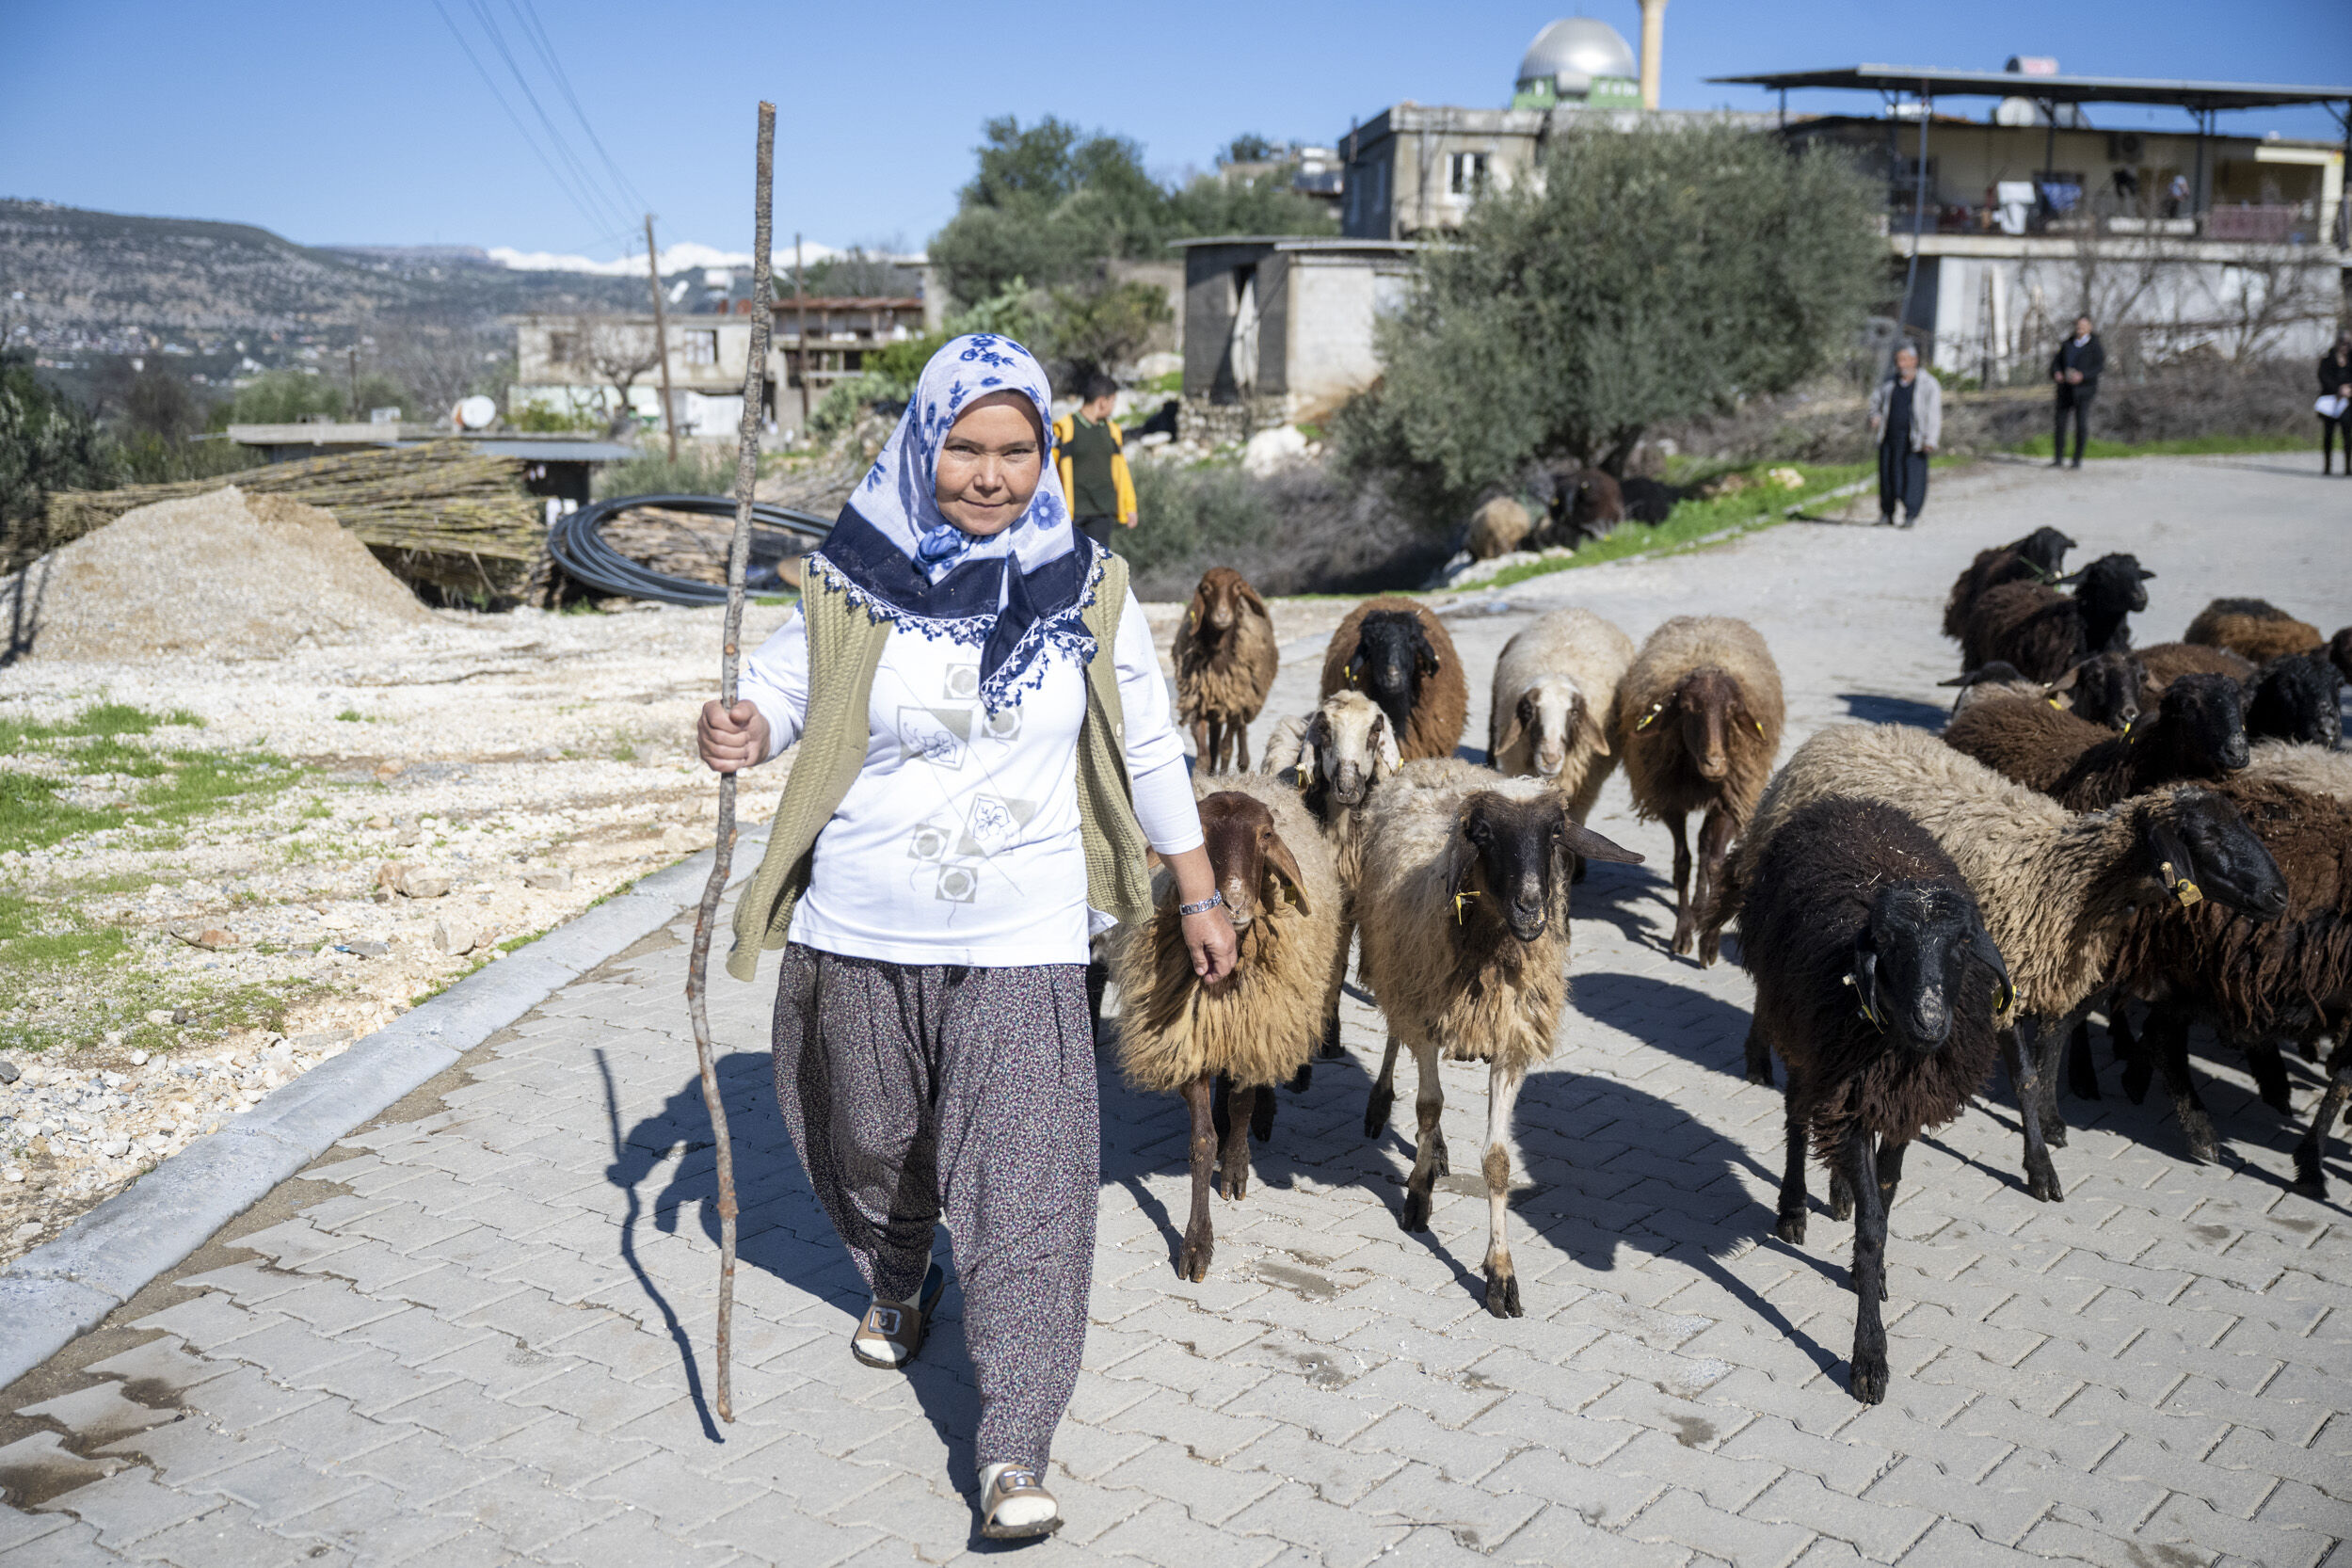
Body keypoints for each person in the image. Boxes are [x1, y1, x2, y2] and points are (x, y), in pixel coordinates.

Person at [697, 335, 1236, 1542]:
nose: (992, 476)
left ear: (1049, 452)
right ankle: (900, 1275)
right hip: (859, 927)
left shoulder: (1087, 584)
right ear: (921, 440)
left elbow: (1151, 747)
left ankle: (1013, 1445)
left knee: (1029, 1185)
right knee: (866, 1139)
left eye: (1017, 448)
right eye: (966, 447)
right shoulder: (854, 575)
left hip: (1027, 937)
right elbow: (788, 693)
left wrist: (1197, 891)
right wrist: (742, 724)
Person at [1051, 373, 1137, 552]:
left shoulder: (1112, 431)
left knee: (1099, 569)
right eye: (1113, 401)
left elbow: (1122, 470)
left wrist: (1130, 507)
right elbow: (1050, 469)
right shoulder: (1066, 427)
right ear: (1102, 401)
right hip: (1073, 514)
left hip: (1102, 512)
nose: (1113, 406)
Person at [1867, 344, 1940, 527]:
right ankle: (1887, 513)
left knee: (1913, 479)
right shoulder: (1889, 383)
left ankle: (1910, 515)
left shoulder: (1928, 384)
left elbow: (1934, 414)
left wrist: (1930, 440)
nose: (1900, 364)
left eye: (1904, 359)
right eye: (1898, 360)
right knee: (1888, 477)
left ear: (1914, 360)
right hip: (1889, 438)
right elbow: (1875, 403)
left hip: (1915, 440)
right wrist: (1874, 417)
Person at [2050, 316, 2104, 469]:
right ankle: (2058, 458)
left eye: (2083, 325)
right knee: (2060, 424)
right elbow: (2056, 363)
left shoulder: (2095, 346)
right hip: (2065, 390)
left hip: (2084, 391)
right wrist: (2057, 373)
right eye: (2078, 325)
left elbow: (2099, 367)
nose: (2080, 328)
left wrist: (2083, 376)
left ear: (2089, 327)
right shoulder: (2067, 344)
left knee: (2081, 424)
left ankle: (2076, 459)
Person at [2319, 330, 2352, 476]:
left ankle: (2347, 467)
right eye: (2342, 342)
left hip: (2348, 402)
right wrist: (2338, 389)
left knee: (2347, 434)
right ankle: (2327, 466)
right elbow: (2322, 376)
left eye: (2347, 343)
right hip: (2330, 401)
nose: (2344, 345)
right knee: (2328, 434)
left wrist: (2348, 389)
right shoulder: (2328, 358)